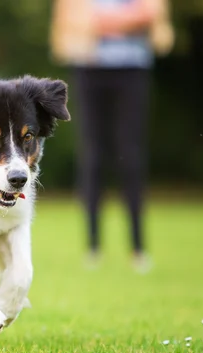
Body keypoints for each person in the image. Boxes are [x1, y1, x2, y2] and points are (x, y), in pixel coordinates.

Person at [51, 0, 174, 271]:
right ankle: (93, 247)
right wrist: (127, 20)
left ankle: (138, 247)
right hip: (88, 67)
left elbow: (150, 14)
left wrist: (100, 22)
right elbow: (71, 20)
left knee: (130, 157)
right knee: (92, 157)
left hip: (133, 69)